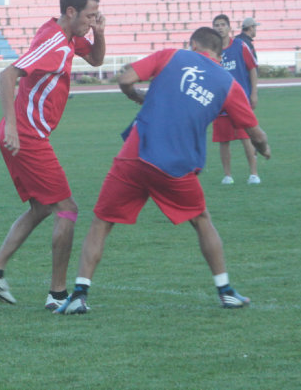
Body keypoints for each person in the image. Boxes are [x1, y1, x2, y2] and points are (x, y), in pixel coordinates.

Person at [54, 27, 271, 315]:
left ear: (193, 44)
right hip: (176, 166)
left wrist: (136, 95)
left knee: (102, 223)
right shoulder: (227, 83)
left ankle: (80, 294)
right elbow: (254, 131)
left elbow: (125, 78)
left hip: (135, 154)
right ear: (219, 53)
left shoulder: (172, 55)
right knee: (202, 221)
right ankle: (226, 291)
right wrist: (264, 149)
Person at [0, 0, 106, 310]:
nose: (92, 21)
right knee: (67, 209)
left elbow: (95, 60)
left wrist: (99, 32)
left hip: (27, 134)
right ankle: (58, 294)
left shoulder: (67, 35)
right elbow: (8, 75)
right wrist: (12, 126)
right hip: (28, 136)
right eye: (90, 16)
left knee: (40, 209)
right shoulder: (54, 42)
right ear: (71, 11)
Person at [212, 14, 260, 185]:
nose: (220, 28)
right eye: (216, 25)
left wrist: (254, 93)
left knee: (246, 137)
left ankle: (253, 174)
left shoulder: (240, 46)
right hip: (219, 103)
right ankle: (227, 175)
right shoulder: (211, 51)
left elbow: (252, 69)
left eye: (223, 24)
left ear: (229, 27)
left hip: (240, 102)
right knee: (223, 140)